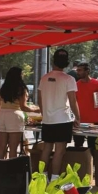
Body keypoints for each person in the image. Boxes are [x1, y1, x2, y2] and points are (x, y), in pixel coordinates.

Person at [38, 48, 81, 180]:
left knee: (46, 149)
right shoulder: (69, 79)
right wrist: (78, 118)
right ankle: (54, 180)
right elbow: (73, 101)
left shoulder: (44, 78)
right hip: (62, 119)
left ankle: (41, 178)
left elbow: (40, 101)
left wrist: (44, 113)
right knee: (59, 151)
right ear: (66, 63)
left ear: (53, 61)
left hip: (47, 120)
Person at [0, 66, 38, 159]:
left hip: (2, 115)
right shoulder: (21, 88)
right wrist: (36, 110)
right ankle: (12, 171)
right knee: (13, 148)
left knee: (1, 147)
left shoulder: (4, 88)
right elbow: (23, 107)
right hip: (15, 115)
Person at [73, 62, 98, 150]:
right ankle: (81, 162)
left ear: (87, 71)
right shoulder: (76, 85)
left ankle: (92, 162)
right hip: (80, 120)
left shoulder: (97, 84)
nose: (77, 72)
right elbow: (72, 102)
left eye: (80, 70)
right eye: (77, 70)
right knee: (78, 145)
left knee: (93, 145)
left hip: (95, 120)